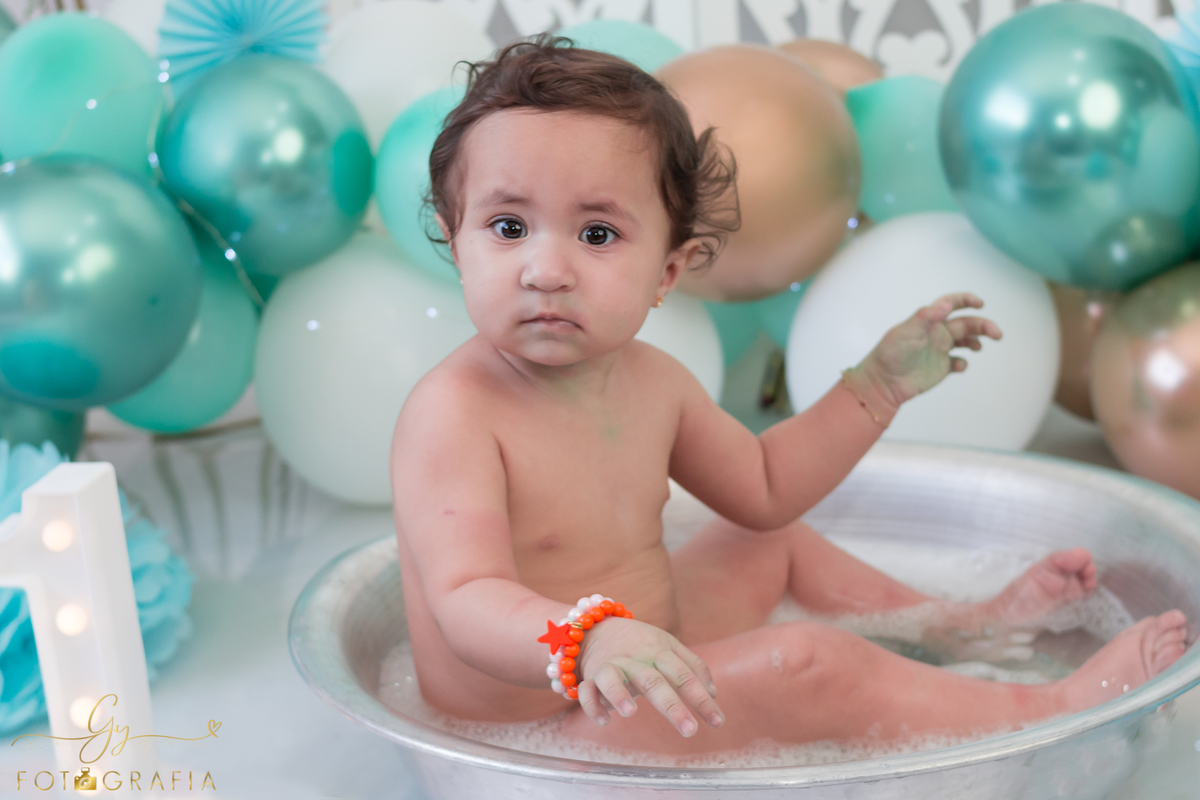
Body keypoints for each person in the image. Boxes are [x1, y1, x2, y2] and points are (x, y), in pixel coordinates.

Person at [389, 37, 1188, 754]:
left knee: (765, 541)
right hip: (548, 721)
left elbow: (765, 489)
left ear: (668, 271)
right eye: (507, 227)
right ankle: (1049, 706)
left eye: (597, 234)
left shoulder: (650, 381)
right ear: (455, 241)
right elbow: (465, 598)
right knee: (807, 662)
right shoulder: (454, 413)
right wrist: (588, 641)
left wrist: (875, 389)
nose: (546, 268)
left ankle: (956, 625)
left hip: (640, 653)